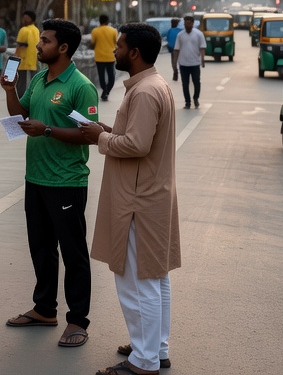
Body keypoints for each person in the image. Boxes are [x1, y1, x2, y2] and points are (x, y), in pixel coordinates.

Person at [81, 23, 180, 375]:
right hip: (150, 194)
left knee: (138, 282)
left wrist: (100, 139)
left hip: (138, 199)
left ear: (134, 52)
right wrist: (106, 131)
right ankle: (156, 348)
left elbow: (137, 145)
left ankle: (144, 360)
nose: (114, 50)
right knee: (155, 277)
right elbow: (139, 136)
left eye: (120, 45)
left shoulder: (144, 92)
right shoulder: (153, 85)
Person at [2, 19, 98, 350]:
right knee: (41, 247)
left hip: (67, 181)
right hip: (36, 178)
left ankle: (78, 320)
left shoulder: (80, 86)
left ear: (63, 48)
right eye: (40, 39)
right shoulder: (41, 78)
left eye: (45, 40)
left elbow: (90, 133)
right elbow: (20, 116)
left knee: (73, 252)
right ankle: (45, 309)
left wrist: (46, 130)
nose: (38, 45)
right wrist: (10, 90)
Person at [173, 16, 206, 109]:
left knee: (196, 82)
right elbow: (176, 50)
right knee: (185, 83)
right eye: (185, 23)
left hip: (195, 63)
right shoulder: (180, 35)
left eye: (189, 23)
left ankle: (196, 98)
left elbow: (202, 47)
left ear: (192, 23)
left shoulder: (199, 34)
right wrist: (174, 64)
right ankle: (187, 102)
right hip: (183, 64)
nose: (187, 25)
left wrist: (202, 60)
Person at [92, 15, 119, 101]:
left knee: (101, 76)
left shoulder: (95, 31)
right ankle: (106, 91)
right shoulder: (113, 31)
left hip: (99, 57)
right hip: (110, 57)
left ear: (99, 21)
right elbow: (116, 42)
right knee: (111, 76)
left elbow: (93, 43)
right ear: (108, 21)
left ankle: (105, 91)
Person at [15, 11, 41, 96]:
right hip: (34, 61)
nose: (24, 20)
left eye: (26, 18)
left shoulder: (23, 30)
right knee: (33, 83)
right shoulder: (36, 30)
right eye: (24, 18)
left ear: (32, 19)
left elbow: (19, 46)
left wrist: (15, 57)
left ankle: (21, 101)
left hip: (23, 61)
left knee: (21, 84)